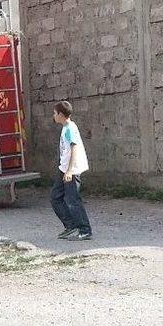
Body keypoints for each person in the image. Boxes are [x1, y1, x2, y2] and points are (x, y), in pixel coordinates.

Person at [51, 101, 92, 241]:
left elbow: (74, 148)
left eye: (55, 113)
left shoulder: (70, 129)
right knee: (55, 197)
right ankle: (70, 226)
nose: (54, 116)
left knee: (73, 200)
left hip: (71, 170)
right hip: (64, 169)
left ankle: (85, 230)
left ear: (61, 115)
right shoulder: (65, 127)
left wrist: (69, 171)